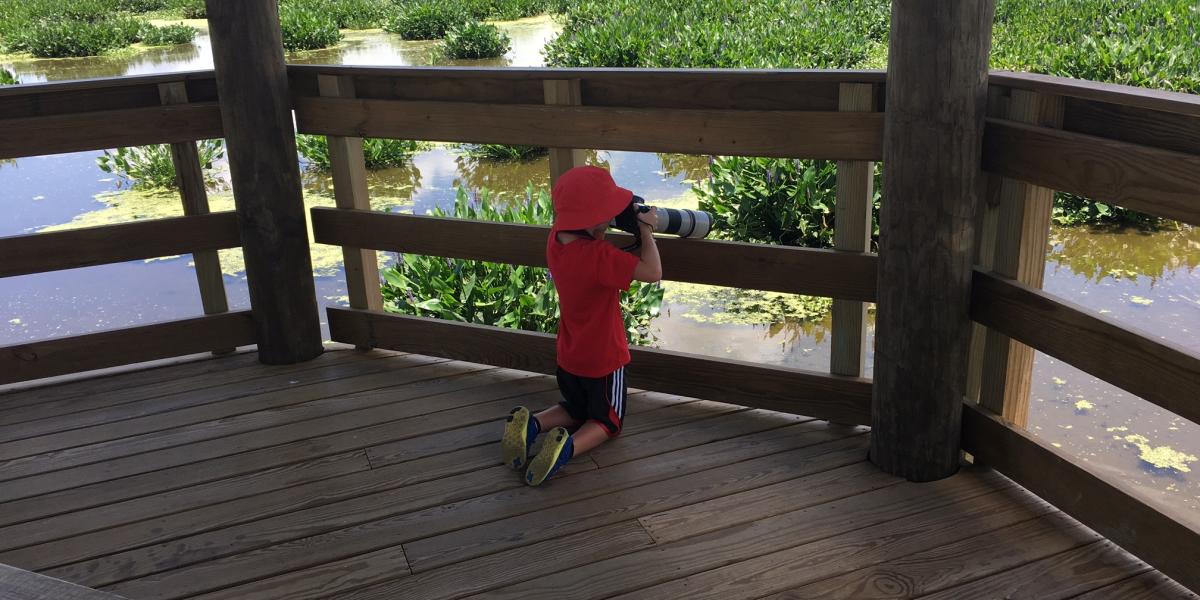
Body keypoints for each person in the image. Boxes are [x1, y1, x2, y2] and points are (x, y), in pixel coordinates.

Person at [502, 166, 662, 486]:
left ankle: (532, 425)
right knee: (607, 421)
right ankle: (566, 448)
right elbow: (652, 271)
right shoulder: (599, 256)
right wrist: (645, 230)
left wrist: (599, 224)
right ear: (594, 217)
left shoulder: (555, 242)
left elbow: (583, 235)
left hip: (570, 354)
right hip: (605, 359)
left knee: (575, 408)